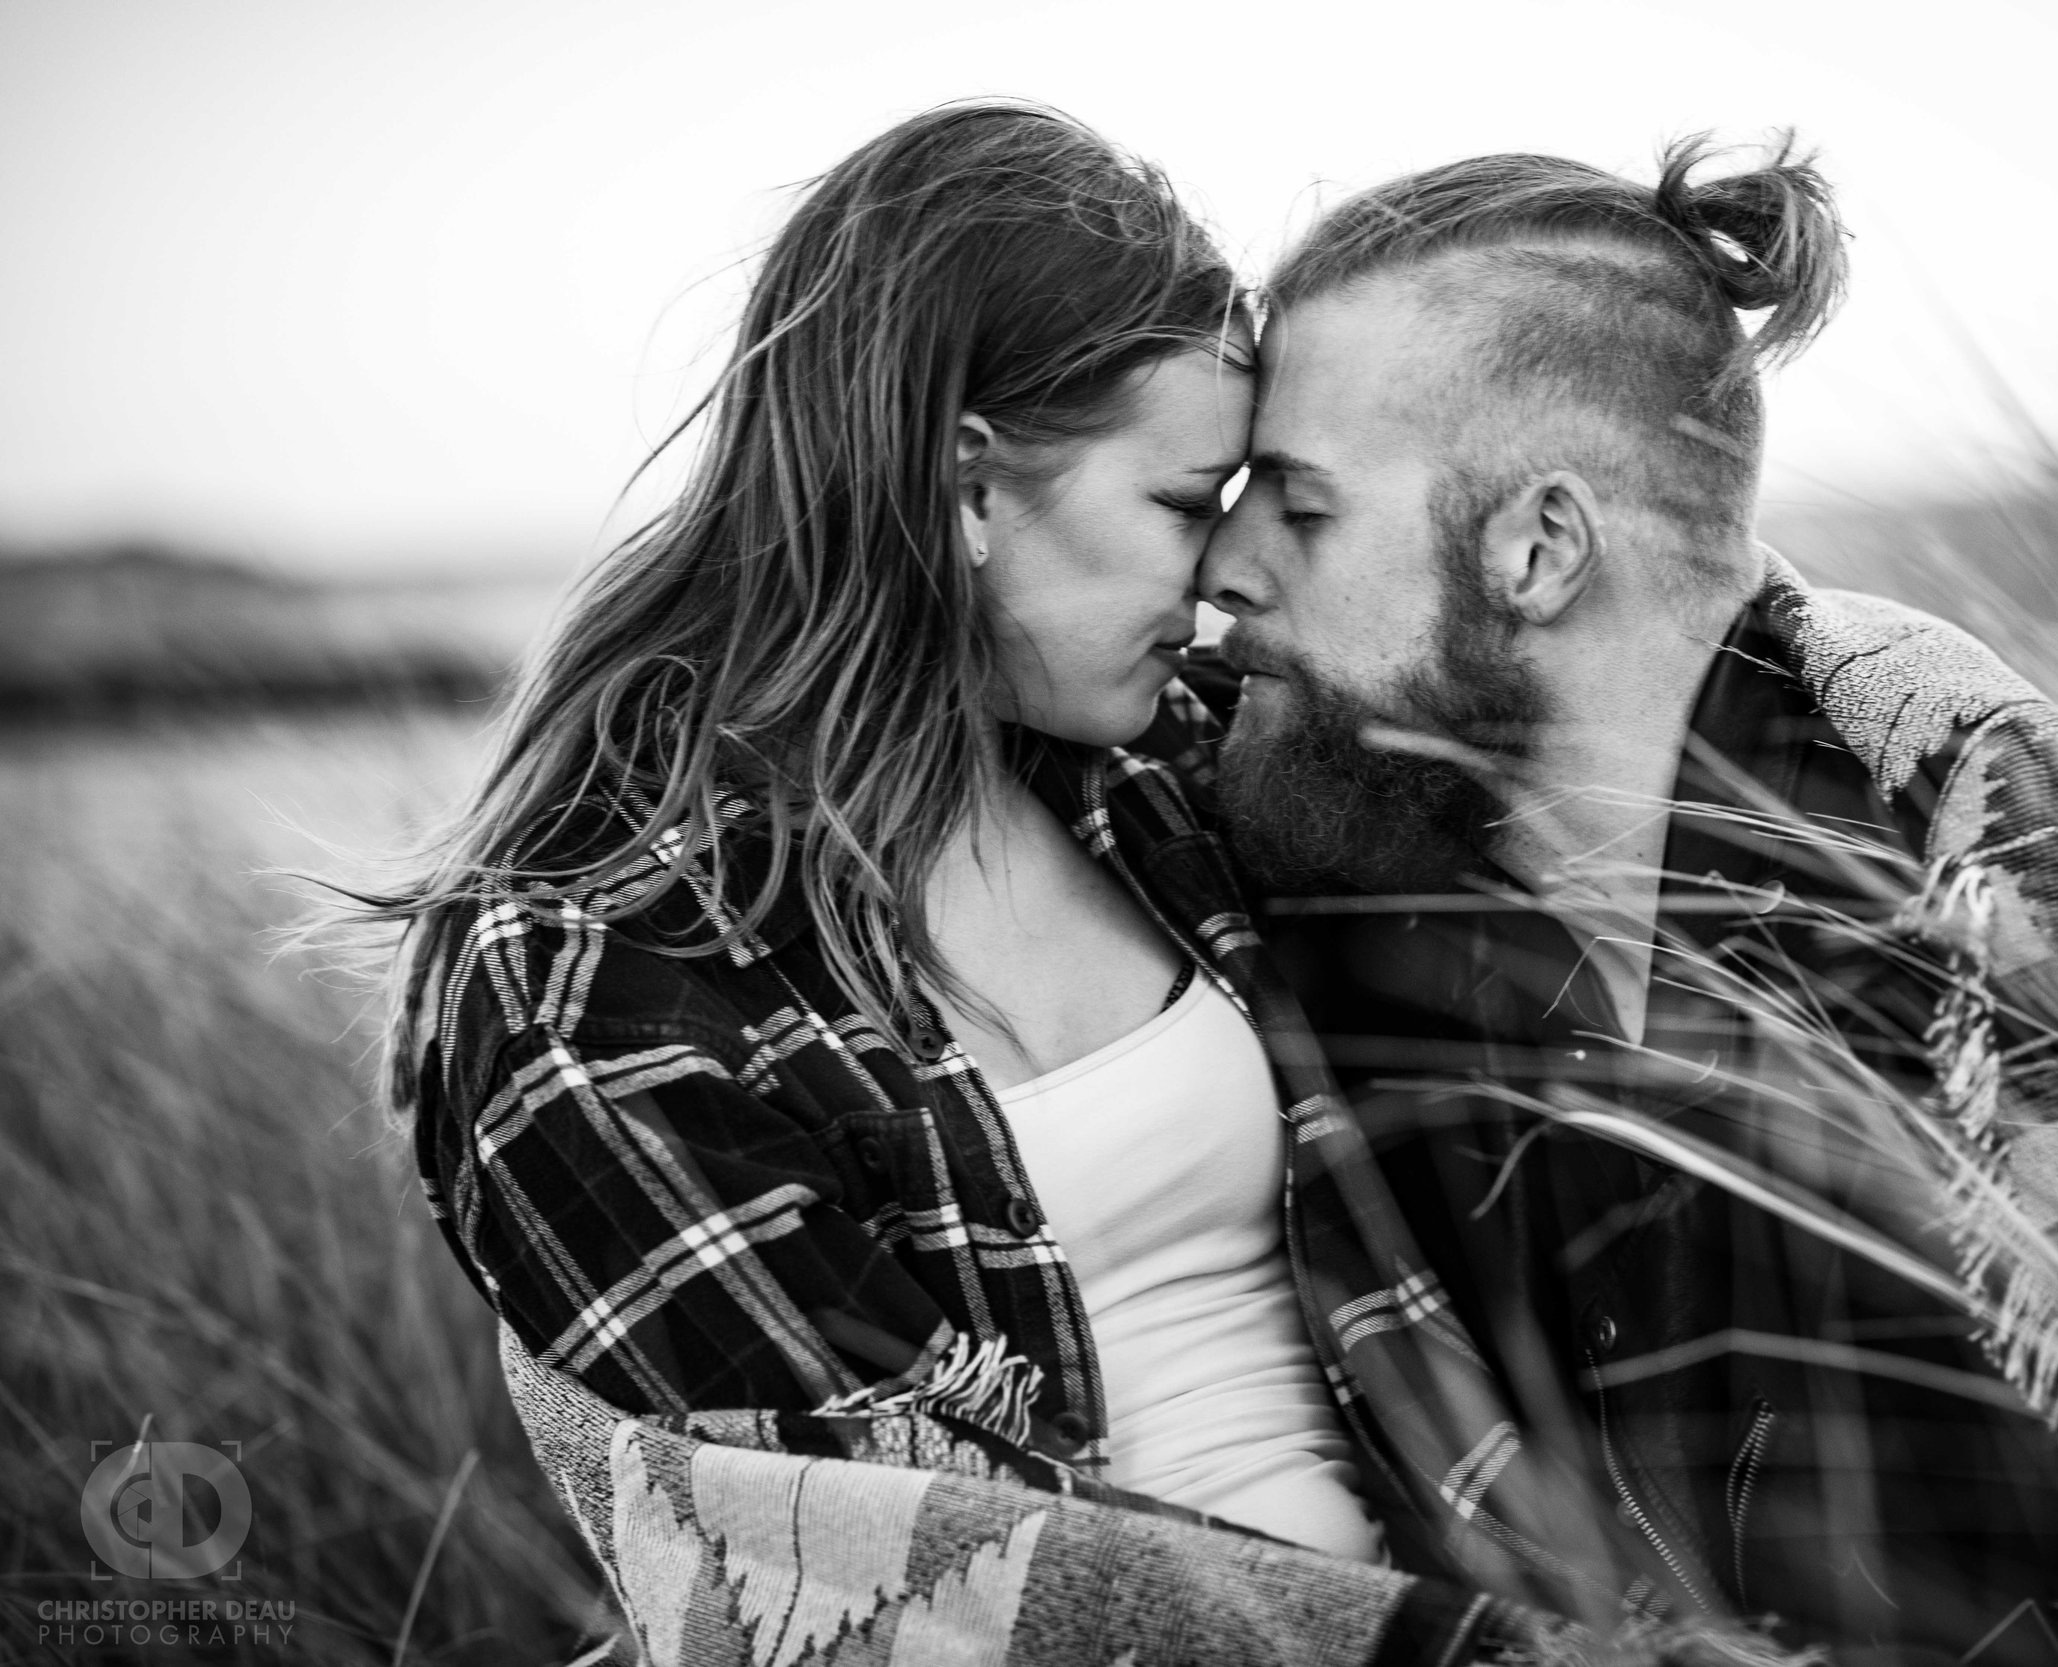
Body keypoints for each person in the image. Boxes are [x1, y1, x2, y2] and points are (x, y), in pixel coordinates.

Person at [365, 104, 1746, 1667]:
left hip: (1494, 1583)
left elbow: (1600, 711)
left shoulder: (1164, 783)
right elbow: (901, 1560)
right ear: (965, 486)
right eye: (1181, 504)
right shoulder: (588, 978)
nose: (1222, 576)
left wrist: (1893, 683)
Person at [1191, 139, 2058, 1664]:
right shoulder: (1317, 857)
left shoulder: (1983, 900)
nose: (1222, 568)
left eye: (1299, 509)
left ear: (1539, 546)